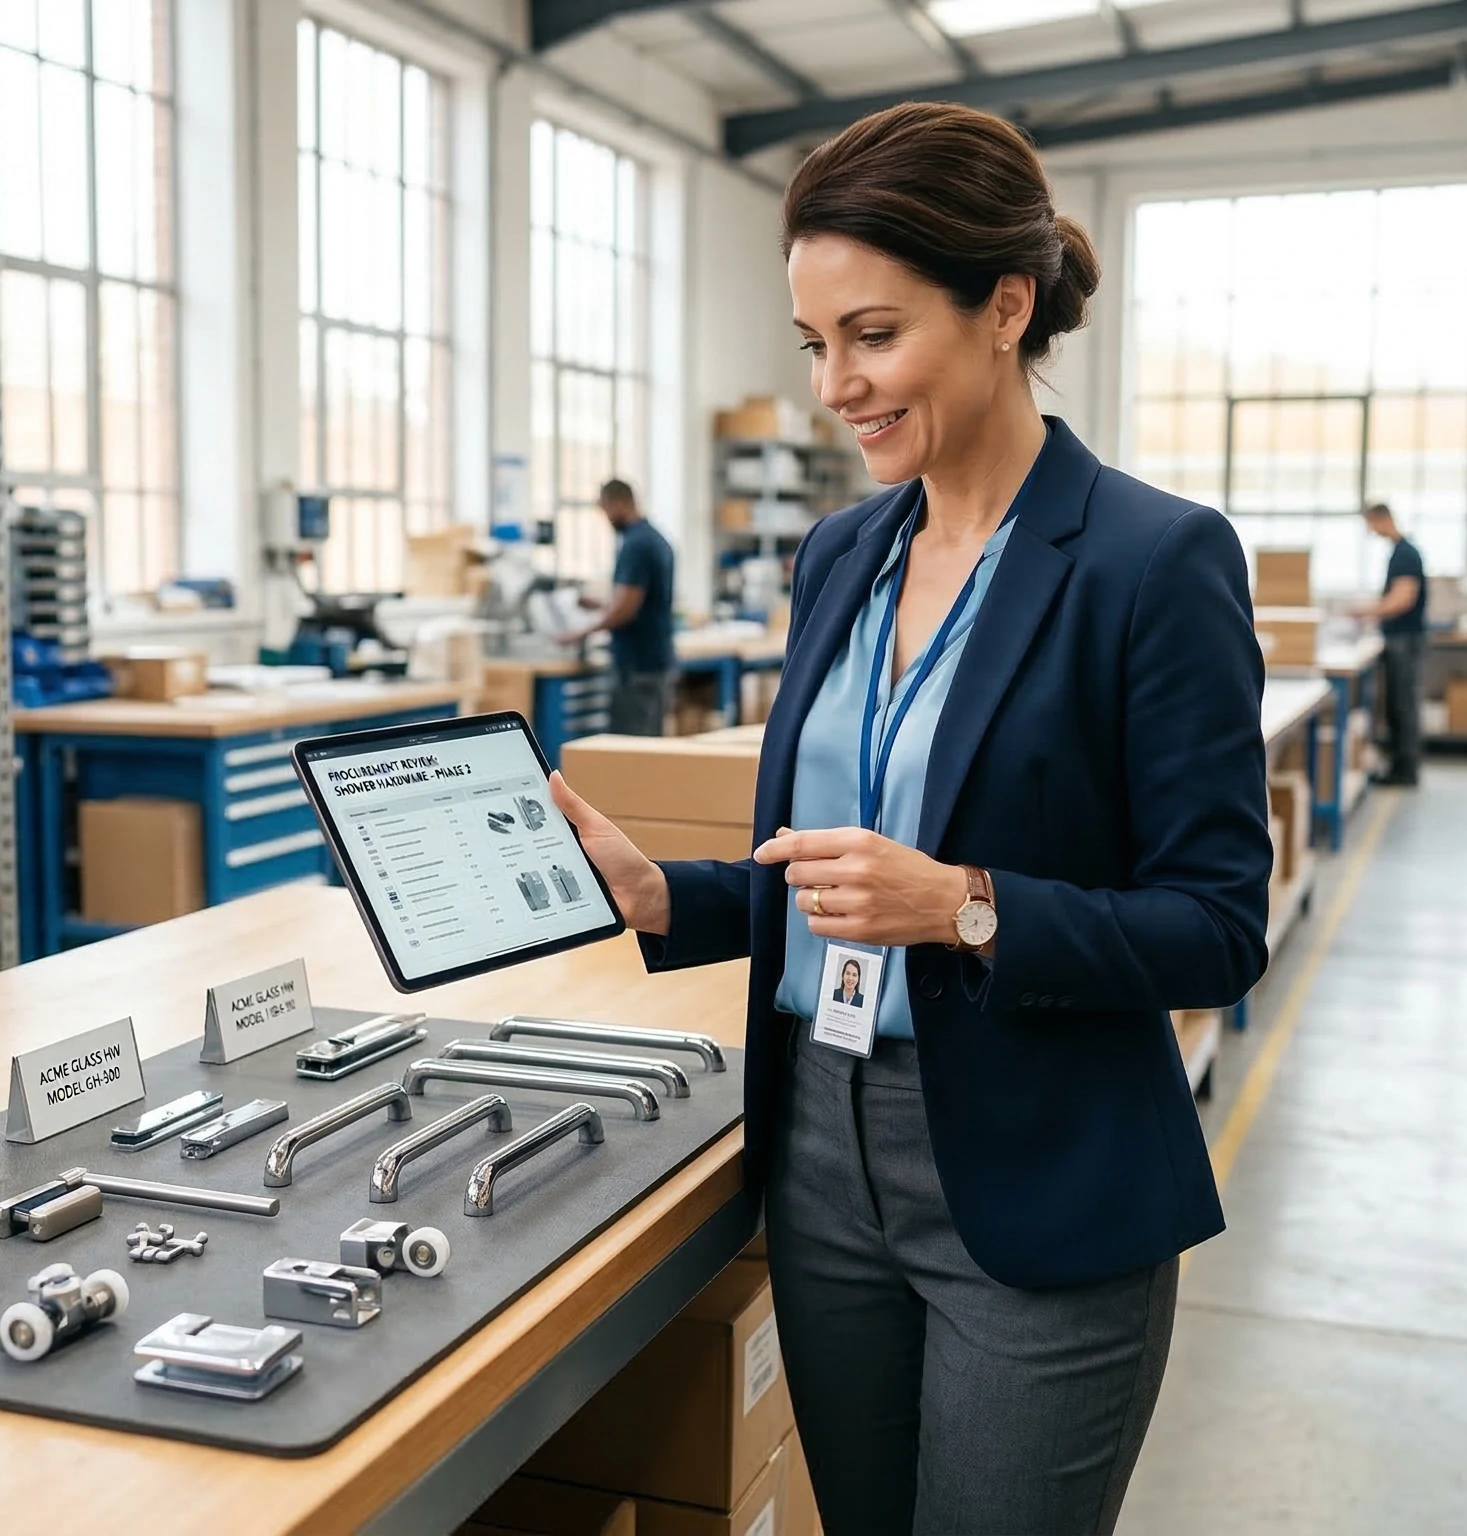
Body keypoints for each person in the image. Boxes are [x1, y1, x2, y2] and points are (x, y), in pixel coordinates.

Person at [547, 102, 1269, 1535]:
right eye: (816, 345)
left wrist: (967, 905)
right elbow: (839, 874)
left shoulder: (1151, 562)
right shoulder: (844, 554)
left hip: (1034, 1166)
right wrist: (667, 897)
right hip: (819, 1144)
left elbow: (1219, 927)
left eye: (872, 336)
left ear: (1006, 307)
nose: (835, 386)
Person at [557, 479, 677, 735]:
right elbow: (642, 601)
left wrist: (580, 633)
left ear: (619, 503)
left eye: (605, 509)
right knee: (647, 746)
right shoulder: (656, 538)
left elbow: (626, 610)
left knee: (629, 751)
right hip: (656, 660)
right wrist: (601, 605)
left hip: (637, 667)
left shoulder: (635, 545)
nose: (606, 518)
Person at [1351, 501, 1427, 786]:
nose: (1371, 531)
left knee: (1403, 704)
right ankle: (1400, 765)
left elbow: (1403, 598)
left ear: (1382, 519)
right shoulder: (1400, 552)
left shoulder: (1405, 554)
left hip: (1404, 640)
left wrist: (1368, 610)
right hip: (1399, 638)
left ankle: (1405, 770)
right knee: (1397, 704)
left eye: (1371, 524)